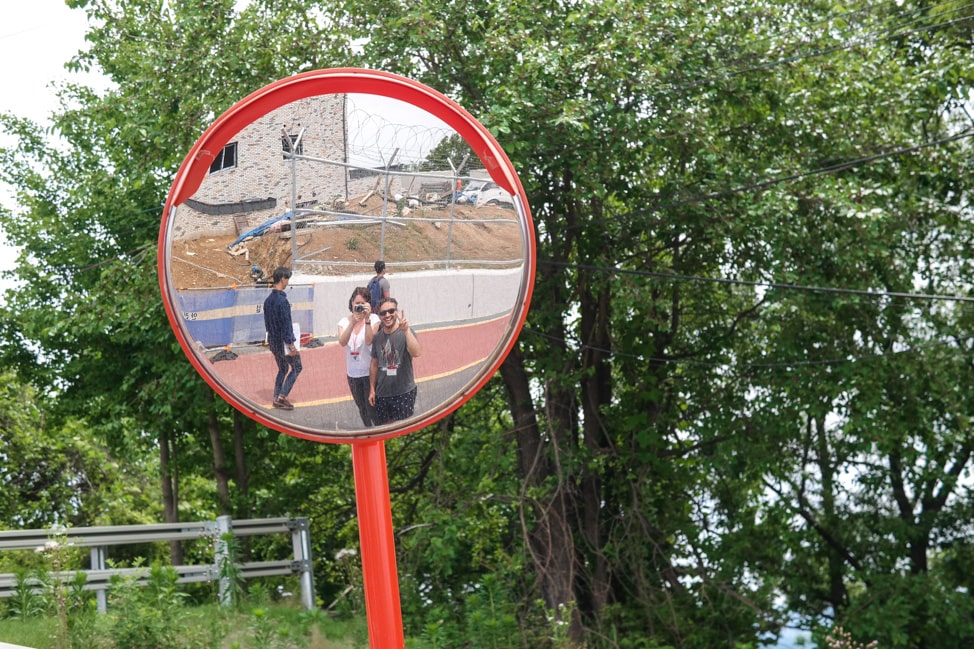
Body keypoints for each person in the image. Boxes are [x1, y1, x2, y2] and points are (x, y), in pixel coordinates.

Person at [369, 298, 422, 424]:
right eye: (383, 313)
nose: (387, 315)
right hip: (382, 393)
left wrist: (406, 331)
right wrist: (372, 389)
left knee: (404, 427)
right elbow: (374, 364)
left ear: (396, 312)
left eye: (391, 311)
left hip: (404, 392)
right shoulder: (377, 338)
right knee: (387, 428)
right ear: (379, 316)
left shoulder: (406, 332)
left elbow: (416, 353)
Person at [337, 286, 380, 426]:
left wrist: (366, 320)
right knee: (362, 407)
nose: (359, 306)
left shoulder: (374, 319)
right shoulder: (343, 322)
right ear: (352, 303)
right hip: (353, 374)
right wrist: (352, 323)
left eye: (363, 303)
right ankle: (368, 429)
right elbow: (342, 342)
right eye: (357, 303)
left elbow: (369, 340)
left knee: (372, 406)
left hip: (369, 373)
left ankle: (378, 430)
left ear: (368, 304)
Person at [263, 266, 302, 410]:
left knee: (283, 368)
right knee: (297, 367)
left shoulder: (268, 301)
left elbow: (268, 324)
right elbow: (286, 325)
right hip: (283, 343)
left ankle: (276, 396)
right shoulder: (282, 301)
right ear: (282, 279)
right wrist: (291, 345)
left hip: (273, 342)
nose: (288, 282)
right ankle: (281, 396)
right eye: (287, 279)